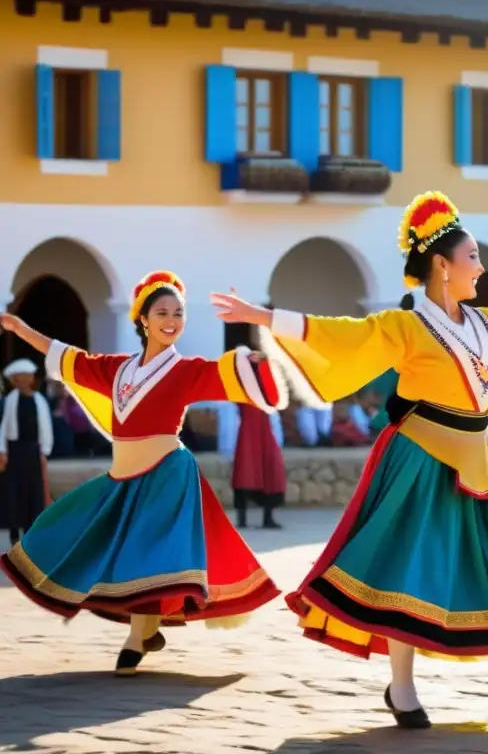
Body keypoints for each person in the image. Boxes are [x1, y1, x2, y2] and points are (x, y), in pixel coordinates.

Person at [211, 191, 488, 729]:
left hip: (481, 458)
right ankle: (402, 686)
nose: (481, 266)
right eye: (472, 257)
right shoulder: (406, 325)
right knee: (408, 570)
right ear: (441, 266)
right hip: (421, 455)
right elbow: (343, 334)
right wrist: (262, 315)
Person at [0, 271, 284, 676]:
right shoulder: (116, 370)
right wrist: (19, 327)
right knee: (78, 532)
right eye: (162, 312)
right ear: (143, 320)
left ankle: (137, 638)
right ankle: (146, 633)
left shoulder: (186, 370)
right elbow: (66, 357)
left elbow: (230, 376)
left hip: (168, 474)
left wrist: (256, 355)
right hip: (124, 478)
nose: (172, 320)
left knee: (149, 553)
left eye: (178, 313)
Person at [0, 358, 52, 545]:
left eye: (29, 376)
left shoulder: (39, 401)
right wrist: (3, 451)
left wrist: (44, 451)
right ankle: (15, 533)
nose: (28, 379)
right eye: (22, 376)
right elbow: (4, 428)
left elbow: (45, 428)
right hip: (15, 451)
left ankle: (31, 533)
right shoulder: (10, 401)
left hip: (32, 451)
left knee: (34, 491)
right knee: (14, 492)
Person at [231, 403, 287, 528]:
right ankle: (242, 519)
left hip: (265, 426)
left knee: (270, 470)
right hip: (248, 427)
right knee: (246, 471)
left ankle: (267, 517)